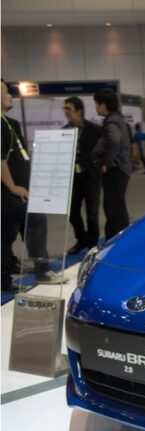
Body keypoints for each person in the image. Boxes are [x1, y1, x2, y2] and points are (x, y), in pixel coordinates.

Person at [1, 79, 67, 292]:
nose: (10, 96)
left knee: (11, 233)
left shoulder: (10, 123)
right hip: (13, 192)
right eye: (5, 92)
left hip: (23, 189)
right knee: (31, 225)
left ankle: (8, 275)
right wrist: (12, 187)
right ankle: (39, 269)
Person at [63, 96, 101, 254]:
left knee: (92, 212)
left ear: (79, 110)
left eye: (68, 109)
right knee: (72, 212)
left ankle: (92, 242)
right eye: (64, 109)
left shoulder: (95, 130)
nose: (66, 112)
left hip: (91, 176)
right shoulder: (64, 132)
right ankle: (81, 239)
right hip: (73, 177)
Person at [92, 88, 131, 240]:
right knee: (116, 206)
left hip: (116, 170)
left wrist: (106, 163)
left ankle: (116, 240)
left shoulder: (112, 121)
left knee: (114, 208)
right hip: (120, 169)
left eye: (96, 104)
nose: (96, 107)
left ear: (103, 104)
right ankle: (119, 239)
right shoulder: (118, 119)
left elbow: (114, 141)